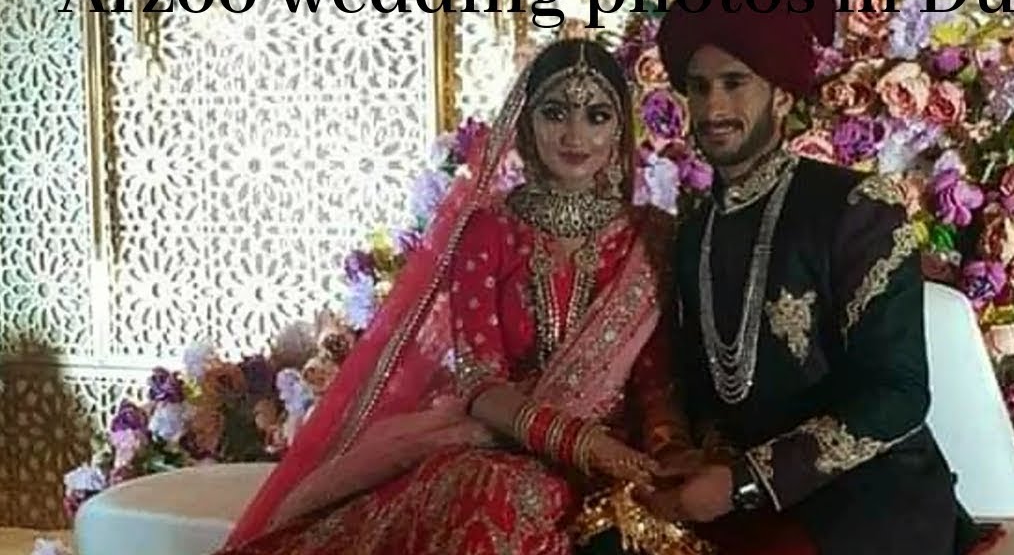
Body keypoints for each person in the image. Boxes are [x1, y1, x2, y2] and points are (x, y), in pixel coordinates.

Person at [215, 37, 695, 555]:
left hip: (616, 454)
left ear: (620, 128)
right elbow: (481, 383)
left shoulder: (649, 239)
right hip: (501, 445)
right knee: (487, 490)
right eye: (555, 112)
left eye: (596, 116)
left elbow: (656, 383)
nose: (575, 135)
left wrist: (669, 450)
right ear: (527, 122)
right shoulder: (488, 232)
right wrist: (578, 441)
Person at [643, 0, 1006, 555]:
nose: (713, 107)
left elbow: (898, 395)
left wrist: (745, 482)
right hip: (741, 494)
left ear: (782, 95)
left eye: (734, 83)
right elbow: (704, 388)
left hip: (872, 496)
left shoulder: (856, 207)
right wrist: (690, 457)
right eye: (698, 87)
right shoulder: (695, 229)